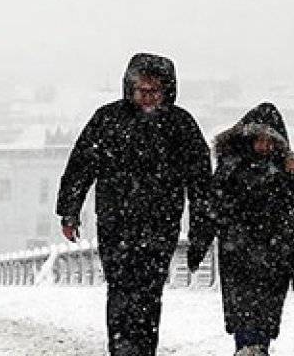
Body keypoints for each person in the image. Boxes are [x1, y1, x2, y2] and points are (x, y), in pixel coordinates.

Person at [57, 53, 213, 356]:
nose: (148, 98)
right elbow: (80, 166)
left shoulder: (180, 125)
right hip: (116, 220)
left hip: (161, 223)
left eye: (155, 91)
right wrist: (69, 211)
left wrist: (201, 230)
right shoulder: (108, 119)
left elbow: (201, 183)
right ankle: (122, 346)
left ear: (167, 90)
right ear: (130, 88)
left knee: (149, 289)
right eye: (142, 90)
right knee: (119, 286)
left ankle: (142, 347)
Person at [191, 103, 294, 356]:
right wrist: (199, 244)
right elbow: (211, 208)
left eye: (270, 142)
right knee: (243, 305)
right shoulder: (230, 167)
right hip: (239, 249)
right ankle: (247, 346)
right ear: (246, 138)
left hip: (274, 251)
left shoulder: (285, 169)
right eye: (259, 140)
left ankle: (257, 347)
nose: (264, 147)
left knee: (268, 306)